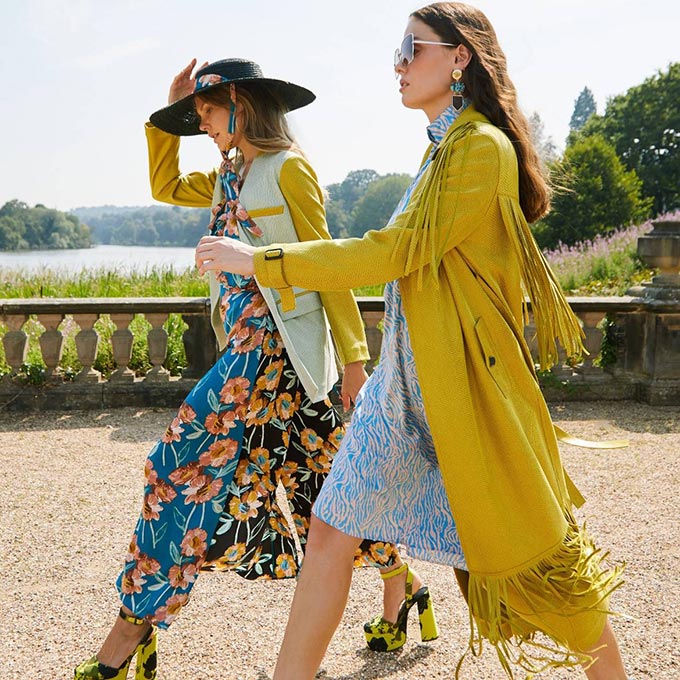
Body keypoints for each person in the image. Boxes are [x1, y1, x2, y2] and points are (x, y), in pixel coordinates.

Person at [196, 4, 633, 679]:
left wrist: (262, 261)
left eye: (411, 48)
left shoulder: (481, 147)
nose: (397, 63)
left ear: (460, 57)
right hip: (400, 393)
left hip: (461, 395)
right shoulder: (442, 148)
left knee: (545, 567)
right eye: (398, 50)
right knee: (329, 530)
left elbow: (395, 251)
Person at [74, 58, 427, 680]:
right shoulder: (224, 178)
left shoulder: (287, 169)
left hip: (272, 358)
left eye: (207, 112)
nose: (203, 124)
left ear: (240, 103)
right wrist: (168, 113)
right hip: (255, 362)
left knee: (175, 466)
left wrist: (353, 361)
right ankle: (406, 588)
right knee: (329, 491)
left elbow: (328, 267)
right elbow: (162, 186)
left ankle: (129, 634)